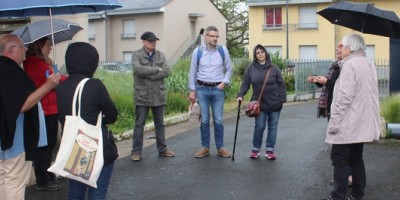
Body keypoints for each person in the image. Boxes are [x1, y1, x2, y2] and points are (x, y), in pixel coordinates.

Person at [0, 34, 60, 200]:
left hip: (5, 138)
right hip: (16, 140)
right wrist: (48, 86)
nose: (26, 48)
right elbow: (22, 105)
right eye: (22, 46)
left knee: (4, 178)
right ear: (12, 50)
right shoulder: (11, 72)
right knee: (14, 180)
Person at [56, 42, 119, 200]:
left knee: (75, 193)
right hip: (95, 147)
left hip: (73, 146)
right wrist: (101, 117)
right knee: (97, 194)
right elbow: (112, 115)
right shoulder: (94, 85)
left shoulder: (60, 87)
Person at [325, 34, 380, 200]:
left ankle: (338, 196)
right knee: (356, 158)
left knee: (339, 159)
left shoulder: (350, 65)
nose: (340, 48)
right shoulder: (368, 63)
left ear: (350, 48)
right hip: (362, 121)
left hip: (348, 123)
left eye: (342, 46)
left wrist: (334, 123)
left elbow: (344, 98)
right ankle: (357, 195)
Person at [307, 42, 353, 187]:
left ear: (349, 49)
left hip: (341, 111)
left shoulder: (347, 66)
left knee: (344, 148)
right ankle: (343, 177)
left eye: (340, 46)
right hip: (332, 109)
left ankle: (348, 178)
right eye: (337, 46)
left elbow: (339, 86)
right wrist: (318, 81)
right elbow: (330, 83)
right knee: (339, 147)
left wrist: (326, 81)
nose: (337, 49)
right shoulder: (336, 65)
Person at [24, 36, 66, 191]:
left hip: (49, 108)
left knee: (49, 145)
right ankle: (43, 179)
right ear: (38, 47)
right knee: (45, 147)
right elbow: (57, 79)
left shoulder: (39, 63)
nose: (50, 47)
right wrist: (59, 74)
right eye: (48, 45)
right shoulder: (35, 63)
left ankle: (48, 174)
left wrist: (50, 64)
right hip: (45, 109)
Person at [188, 26, 233, 158]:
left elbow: (229, 69)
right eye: (212, 36)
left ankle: (220, 148)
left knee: (218, 120)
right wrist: (192, 90)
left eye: (216, 36)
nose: (215, 39)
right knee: (205, 120)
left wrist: (224, 83)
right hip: (202, 89)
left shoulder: (222, 50)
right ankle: (205, 148)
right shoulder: (198, 52)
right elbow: (193, 72)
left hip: (217, 90)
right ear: (206, 37)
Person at [236, 44, 286, 160]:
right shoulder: (251, 68)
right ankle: (255, 150)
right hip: (259, 104)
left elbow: (281, 84)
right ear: (255, 55)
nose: (260, 54)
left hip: (275, 103)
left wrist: (282, 99)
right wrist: (240, 95)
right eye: (257, 53)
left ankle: (270, 150)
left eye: (262, 52)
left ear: (265, 53)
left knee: (273, 128)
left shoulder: (274, 68)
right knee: (259, 126)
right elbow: (245, 83)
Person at [131, 31, 175, 161]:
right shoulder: (136, 55)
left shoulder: (161, 55)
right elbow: (138, 70)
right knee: (139, 124)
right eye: (151, 41)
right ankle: (136, 151)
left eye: (154, 41)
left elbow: (166, 71)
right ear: (143, 42)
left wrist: (148, 74)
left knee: (160, 124)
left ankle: (163, 149)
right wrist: (157, 69)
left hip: (158, 94)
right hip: (142, 95)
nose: (153, 43)